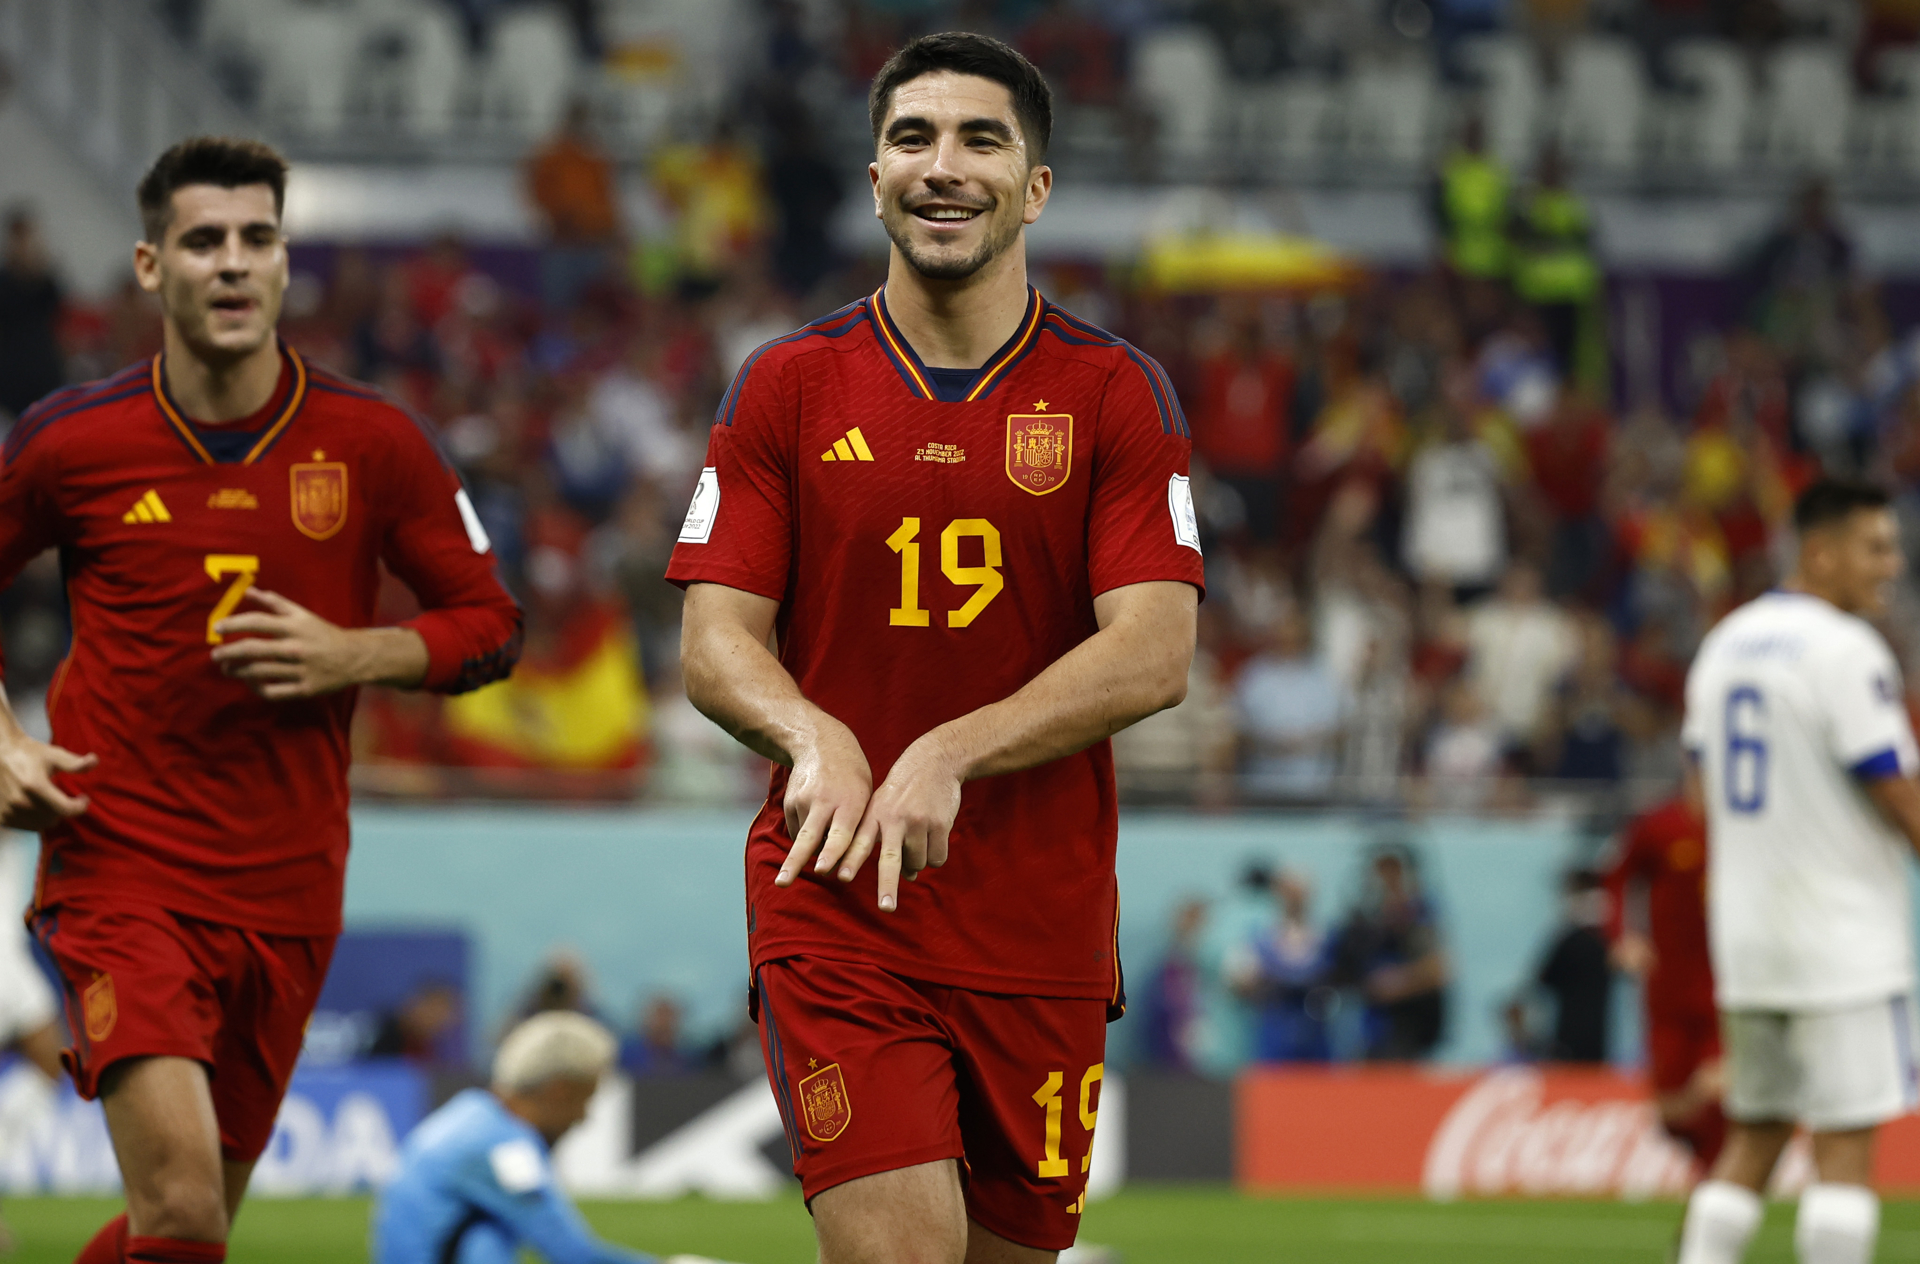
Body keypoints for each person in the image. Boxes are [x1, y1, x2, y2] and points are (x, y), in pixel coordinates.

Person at [670, 32, 1203, 1264]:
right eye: (913, 138)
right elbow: (713, 641)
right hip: (840, 908)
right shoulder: (788, 385)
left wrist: (950, 750)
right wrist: (814, 735)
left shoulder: (1117, 393)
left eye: (981, 140)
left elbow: (1155, 651)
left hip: (1042, 929)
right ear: (873, 179)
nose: (942, 165)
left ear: (1037, 187)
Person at [0, 137, 522, 1264]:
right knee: (183, 1209)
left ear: (286, 263)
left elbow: (492, 622)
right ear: (150, 266)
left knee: (185, 1227)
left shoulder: (376, 442)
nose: (232, 263)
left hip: (288, 880)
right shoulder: (70, 443)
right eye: (203, 242)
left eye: (257, 239)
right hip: (118, 860)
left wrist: (360, 654)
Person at [1676, 480, 1920, 1264]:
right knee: (1844, 1156)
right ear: (1822, 552)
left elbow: (1697, 795)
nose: (1892, 564)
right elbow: (1899, 794)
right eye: (1875, 547)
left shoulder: (1724, 644)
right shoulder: (1847, 651)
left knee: (1755, 1138)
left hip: (1749, 941)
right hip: (1842, 942)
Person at [374, 1012, 711, 1264]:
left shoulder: (470, 1116)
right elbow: (572, 1254)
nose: (583, 1117)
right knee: (486, 1238)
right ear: (559, 1089)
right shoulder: (502, 1148)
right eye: (585, 1100)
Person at [1605, 791, 1725, 1169]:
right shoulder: (1660, 826)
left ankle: (1716, 1197)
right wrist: (1622, 935)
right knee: (1672, 1112)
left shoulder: (1743, 827)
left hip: (1727, 988)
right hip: (1667, 991)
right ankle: (1714, 1185)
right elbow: (1617, 878)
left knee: (1718, 1091)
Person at [1331, 846, 1450, 1060]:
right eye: (1380, 872)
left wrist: (1397, 982)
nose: (1385, 880)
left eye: (1392, 872)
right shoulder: (1363, 918)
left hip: (1409, 1027)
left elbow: (1438, 969)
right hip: (1368, 1029)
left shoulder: (1419, 916)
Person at [1226, 871, 1333, 1063]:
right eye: (1287, 893)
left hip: (1315, 1036)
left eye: (1298, 893)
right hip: (1274, 1037)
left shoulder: (1324, 936)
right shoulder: (1260, 938)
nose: (1292, 899)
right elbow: (1238, 982)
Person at [1530, 869, 1614, 1063]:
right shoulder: (1607, 939)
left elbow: (1543, 977)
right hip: (1598, 1034)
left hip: (1570, 1033)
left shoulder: (1570, 940)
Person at [0, 207, 66, 422]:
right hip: (10, 377)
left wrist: (35, 265)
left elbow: (57, 311)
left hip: (42, 372)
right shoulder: (4, 281)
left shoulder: (45, 280)